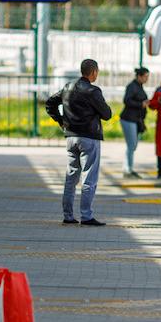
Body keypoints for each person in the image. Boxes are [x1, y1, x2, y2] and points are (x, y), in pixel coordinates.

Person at [46, 58, 112, 227]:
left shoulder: (68, 87)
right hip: (89, 138)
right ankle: (86, 216)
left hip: (71, 137)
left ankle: (68, 216)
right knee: (89, 177)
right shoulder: (93, 91)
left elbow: (50, 103)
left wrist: (61, 121)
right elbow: (106, 114)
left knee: (71, 178)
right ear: (94, 72)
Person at [119, 67, 150, 178]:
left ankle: (128, 168)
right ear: (139, 76)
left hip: (135, 120)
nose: (147, 79)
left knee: (133, 145)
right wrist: (141, 104)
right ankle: (128, 170)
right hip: (128, 119)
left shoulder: (139, 86)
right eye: (145, 76)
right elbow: (126, 100)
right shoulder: (132, 86)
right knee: (131, 145)